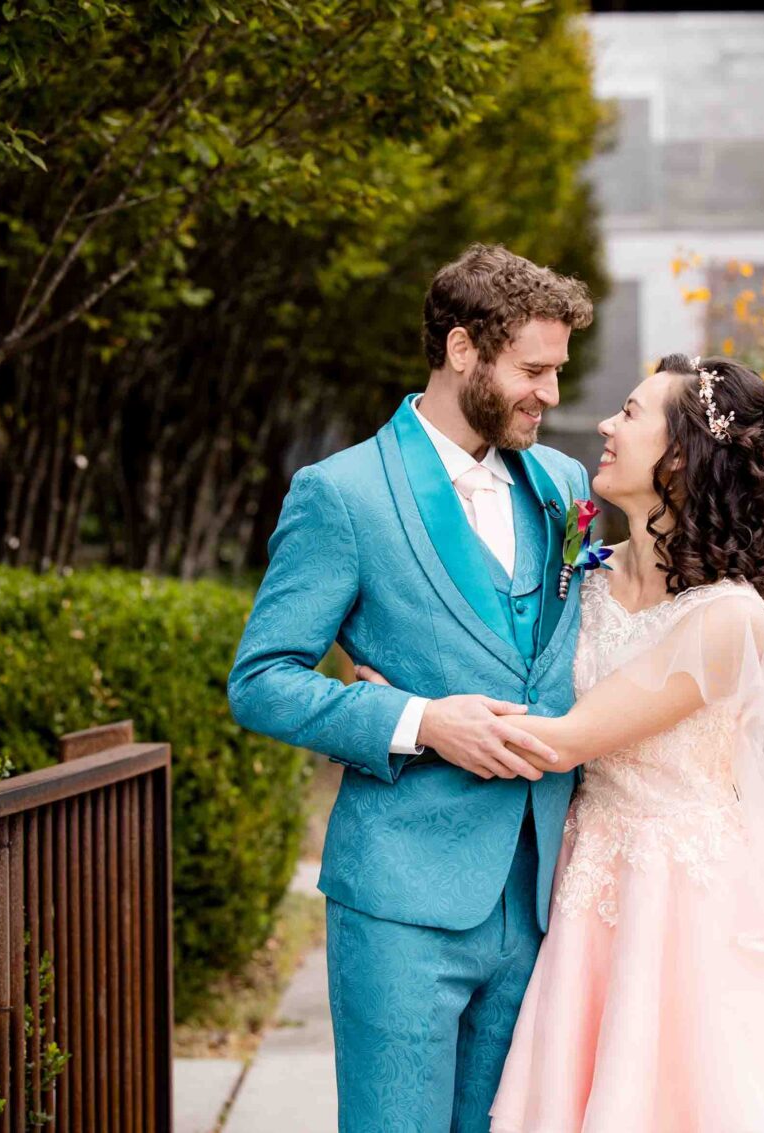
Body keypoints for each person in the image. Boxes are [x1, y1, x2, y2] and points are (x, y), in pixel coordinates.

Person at [358, 354, 764, 1132]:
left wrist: (407, 709)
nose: (602, 424)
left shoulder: (728, 620)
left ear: (681, 456)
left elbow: (560, 740)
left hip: (678, 895)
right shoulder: (583, 577)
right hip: (584, 876)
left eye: (629, 413)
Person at [227, 243, 596, 1133]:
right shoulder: (342, 494)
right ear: (463, 350)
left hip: (544, 892)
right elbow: (261, 680)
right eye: (534, 371)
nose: (550, 394)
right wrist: (421, 719)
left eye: (557, 371)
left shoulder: (566, 485)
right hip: (401, 898)